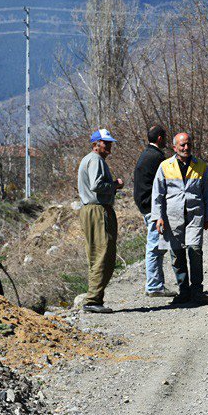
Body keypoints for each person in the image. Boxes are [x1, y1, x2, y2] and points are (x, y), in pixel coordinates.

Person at [152, 132, 208, 306]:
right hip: (172, 217)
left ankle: (197, 291)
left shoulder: (201, 166)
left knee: (195, 251)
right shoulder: (165, 166)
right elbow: (158, 193)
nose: (186, 148)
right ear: (174, 148)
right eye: (182, 145)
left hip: (195, 215)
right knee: (177, 254)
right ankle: (183, 290)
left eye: (188, 144)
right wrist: (158, 217)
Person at [77, 128, 123, 314]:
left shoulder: (89, 159)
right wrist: (115, 185)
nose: (109, 145)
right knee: (102, 254)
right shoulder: (95, 160)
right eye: (106, 142)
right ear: (96, 144)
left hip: (91, 210)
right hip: (97, 210)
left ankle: (95, 298)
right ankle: (93, 300)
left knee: (98, 253)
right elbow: (97, 185)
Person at [134, 125, 172, 298]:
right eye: (164, 137)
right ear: (159, 138)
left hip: (145, 205)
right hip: (152, 207)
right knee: (155, 246)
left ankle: (156, 283)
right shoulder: (156, 157)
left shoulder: (146, 154)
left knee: (155, 245)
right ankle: (154, 285)